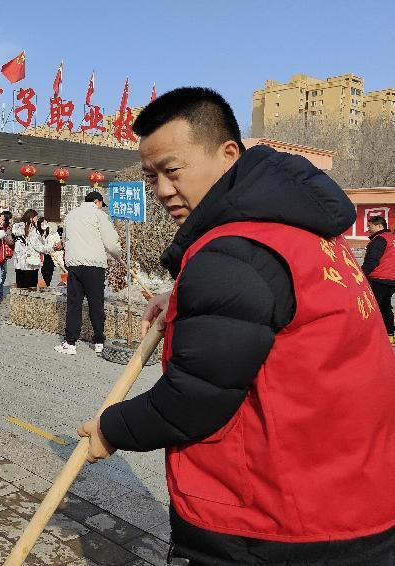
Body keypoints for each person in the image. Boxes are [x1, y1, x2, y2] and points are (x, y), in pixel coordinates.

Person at [77, 87, 395, 565]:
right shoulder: (303, 231)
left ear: (228, 154)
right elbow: (268, 304)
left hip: (273, 523)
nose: (162, 190)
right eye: (151, 176)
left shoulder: (232, 253)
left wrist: (112, 429)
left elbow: (193, 400)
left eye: (173, 170)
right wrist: (182, 296)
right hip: (357, 501)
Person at [54, 191, 121, 356]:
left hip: (75, 265)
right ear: (97, 202)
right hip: (94, 265)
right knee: (96, 303)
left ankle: (70, 342)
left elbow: (66, 239)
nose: (101, 207)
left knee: (74, 303)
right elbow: (111, 243)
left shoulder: (70, 216)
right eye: (101, 204)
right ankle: (99, 341)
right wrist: (118, 255)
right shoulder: (100, 216)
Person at [362, 215, 395, 344]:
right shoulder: (391, 238)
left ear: (379, 226)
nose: (368, 229)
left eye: (370, 226)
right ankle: (389, 334)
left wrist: (360, 275)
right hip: (391, 279)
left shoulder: (380, 239)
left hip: (379, 278)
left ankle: (367, 335)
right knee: (385, 306)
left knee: (370, 306)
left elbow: (372, 261)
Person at [11, 209, 52, 289]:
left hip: (19, 263)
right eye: (36, 217)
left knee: (21, 287)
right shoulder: (31, 230)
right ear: (31, 218)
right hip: (31, 263)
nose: (37, 219)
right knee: (31, 288)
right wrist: (52, 248)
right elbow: (38, 246)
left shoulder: (18, 228)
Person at [37, 217, 61, 287]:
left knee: (48, 274)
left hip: (50, 256)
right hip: (40, 256)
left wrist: (55, 247)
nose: (44, 225)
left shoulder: (53, 233)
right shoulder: (37, 233)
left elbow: (58, 243)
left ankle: (47, 286)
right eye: (42, 223)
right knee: (41, 274)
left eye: (45, 223)